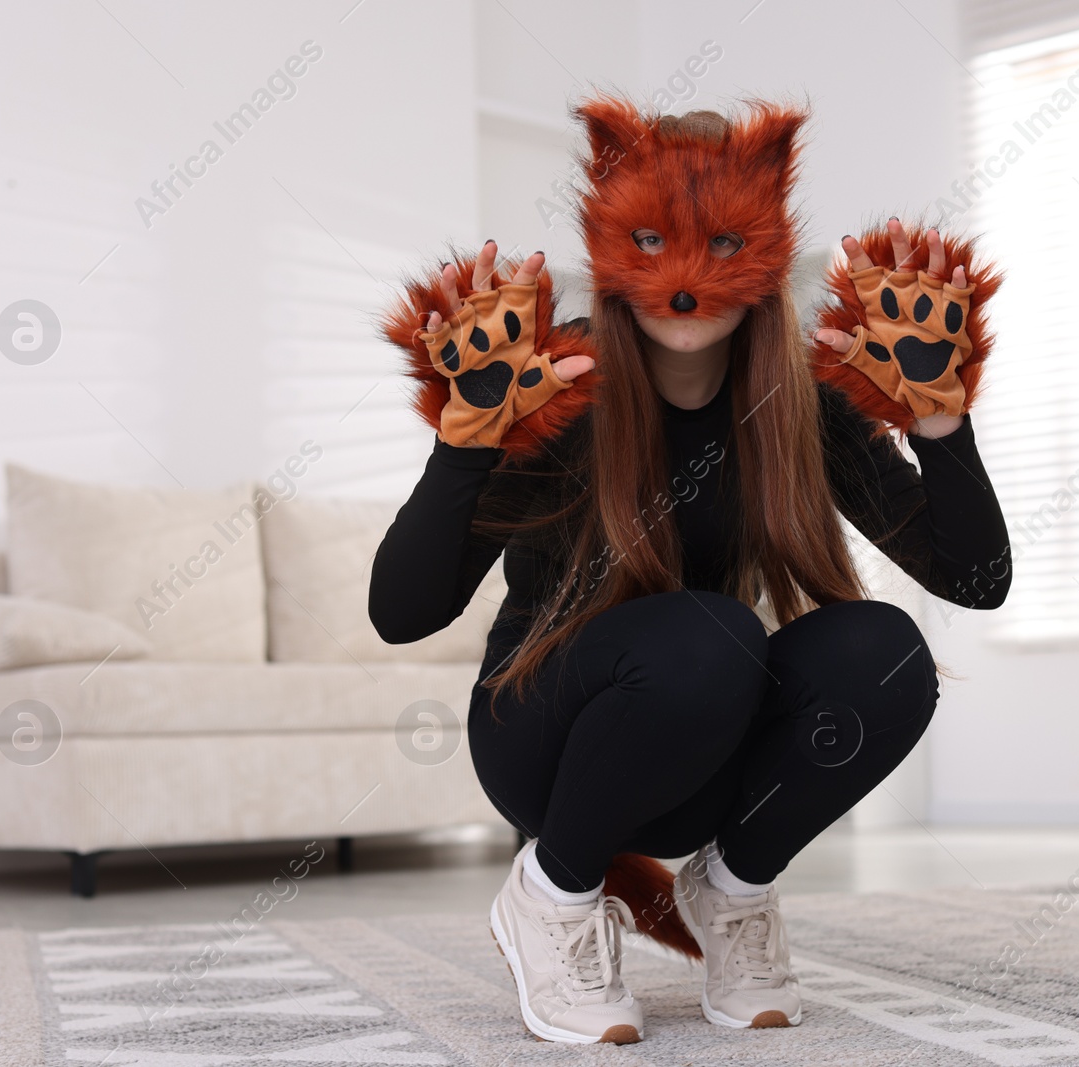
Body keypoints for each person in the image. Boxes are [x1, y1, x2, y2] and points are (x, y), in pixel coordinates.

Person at [369, 96, 1011, 1046]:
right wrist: (464, 446)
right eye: (652, 237)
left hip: (705, 742)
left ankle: (734, 888)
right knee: (713, 631)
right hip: (541, 734)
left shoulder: (801, 396)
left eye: (720, 243)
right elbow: (402, 613)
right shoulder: (560, 381)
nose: (683, 279)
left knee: (886, 651)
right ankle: (551, 896)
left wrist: (943, 429)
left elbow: (976, 578)